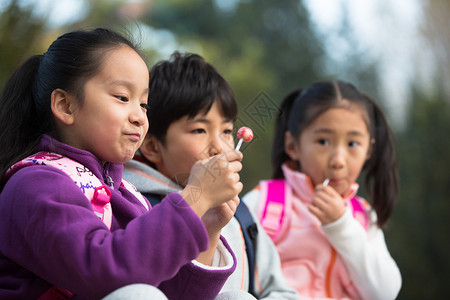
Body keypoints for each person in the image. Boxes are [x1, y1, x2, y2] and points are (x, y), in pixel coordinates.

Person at [0, 28, 245, 300]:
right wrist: (194, 199)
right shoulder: (35, 184)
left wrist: (209, 230)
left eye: (144, 104)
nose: (139, 117)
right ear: (66, 106)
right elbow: (107, 274)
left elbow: (172, 293)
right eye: (122, 98)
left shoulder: (128, 194)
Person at [123, 52, 298, 299]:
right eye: (199, 130)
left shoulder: (241, 216)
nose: (220, 147)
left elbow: (280, 290)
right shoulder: (131, 207)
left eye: (227, 131)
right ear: (152, 146)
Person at [243, 81, 402, 299]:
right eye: (323, 141)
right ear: (293, 146)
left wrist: (341, 224)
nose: (338, 160)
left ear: (369, 151)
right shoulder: (263, 203)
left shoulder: (362, 217)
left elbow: (385, 292)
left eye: (353, 144)